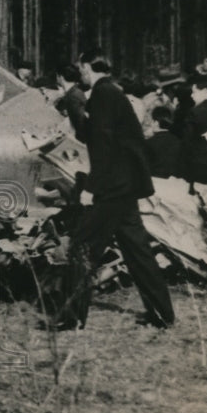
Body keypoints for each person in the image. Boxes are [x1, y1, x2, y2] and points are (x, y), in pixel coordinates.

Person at [61, 48, 175, 330]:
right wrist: (75, 108)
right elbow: (94, 135)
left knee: (82, 248)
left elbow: (102, 147)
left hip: (112, 188)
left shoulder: (102, 94)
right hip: (126, 185)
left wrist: (91, 188)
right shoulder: (112, 92)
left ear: (88, 66)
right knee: (138, 252)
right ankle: (162, 315)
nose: (81, 74)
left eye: (81, 68)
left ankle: (72, 318)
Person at [145, 105, 182, 179]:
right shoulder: (178, 141)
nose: (149, 124)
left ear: (156, 123)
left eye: (151, 121)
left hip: (156, 182)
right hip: (175, 184)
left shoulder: (149, 143)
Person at [55, 63, 88, 133]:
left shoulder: (73, 96)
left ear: (61, 77)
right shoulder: (76, 91)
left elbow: (80, 124)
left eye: (57, 76)